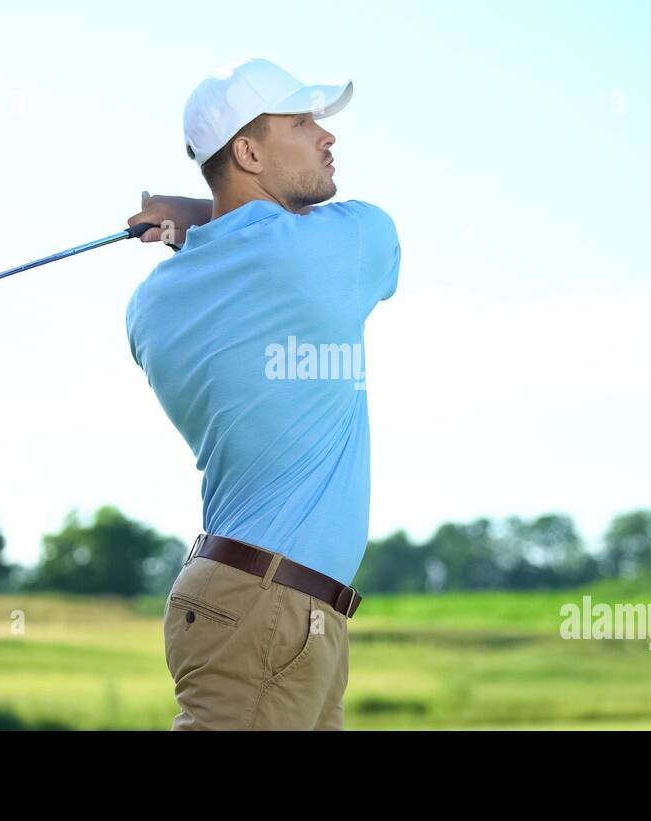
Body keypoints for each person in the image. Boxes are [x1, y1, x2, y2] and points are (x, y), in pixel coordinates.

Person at [124, 57, 400, 730]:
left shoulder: (149, 305)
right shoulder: (335, 246)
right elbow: (362, 242)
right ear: (247, 150)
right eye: (302, 123)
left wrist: (202, 219)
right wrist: (196, 216)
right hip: (268, 609)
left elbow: (242, 244)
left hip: (272, 607)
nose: (326, 137)